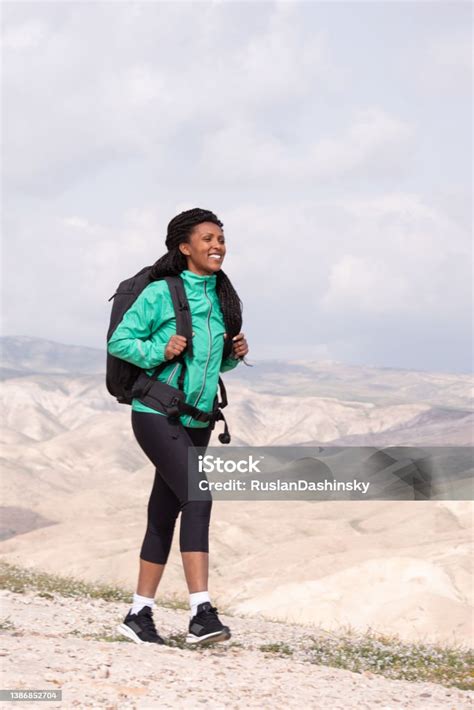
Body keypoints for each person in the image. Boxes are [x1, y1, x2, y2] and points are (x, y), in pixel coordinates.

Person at [107, 207, 249, 645]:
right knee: (198, 496)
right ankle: (201, 613)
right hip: (156, 414)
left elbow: (209, 360)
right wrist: (159, 349)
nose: (217, 246)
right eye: (207, 239)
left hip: (197, 420)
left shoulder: (221, 298)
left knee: (164, 512)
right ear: (185, 247)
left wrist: (233, 354)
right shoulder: (161, 293)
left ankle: (139, 614)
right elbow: (121, 341)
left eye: (221, 239)